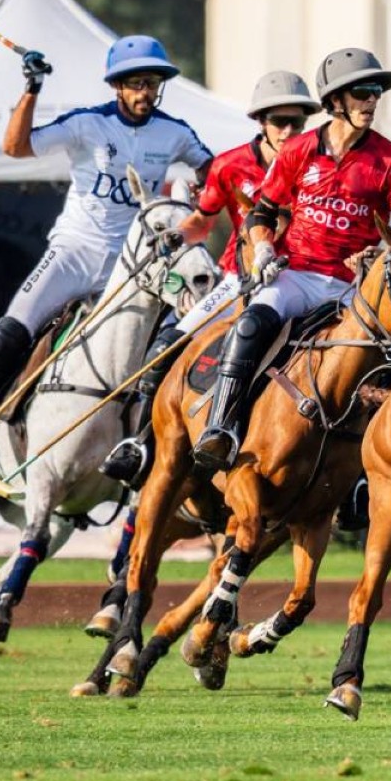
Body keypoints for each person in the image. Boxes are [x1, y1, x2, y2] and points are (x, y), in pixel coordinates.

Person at [0, 35, 213, 481]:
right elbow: (16, 147)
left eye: (152, 83)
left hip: (131, 267)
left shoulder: (175, 133)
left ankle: (157, 454)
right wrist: (32, 89)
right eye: (136, 84)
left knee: (174, 347)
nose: (145, 93)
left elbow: (217, 173)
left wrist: (209, 193)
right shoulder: (86, 125)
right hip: (73, 253)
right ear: (117, 86)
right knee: (3, 339)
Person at [192, 47, 391, 483]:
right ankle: (222, 425)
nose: (372, 101)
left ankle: (377, 474)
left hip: (355, 286)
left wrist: (376, 256)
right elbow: (261, 212)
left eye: (376, 94)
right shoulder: (297, 151)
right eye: (362, 93)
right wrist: (262, 249)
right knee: (251, 325)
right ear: (335, 101)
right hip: (298, 274)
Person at [99, 70, 319, 488]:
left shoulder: (318, 166)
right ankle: (141, 444)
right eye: (279, 121)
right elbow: (203, 220)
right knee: (166, 345)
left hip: (303, 277)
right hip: (239, 276)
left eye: (297, 122)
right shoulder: (231, 165)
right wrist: (174, 236)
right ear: (261, 122)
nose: (288, 130)